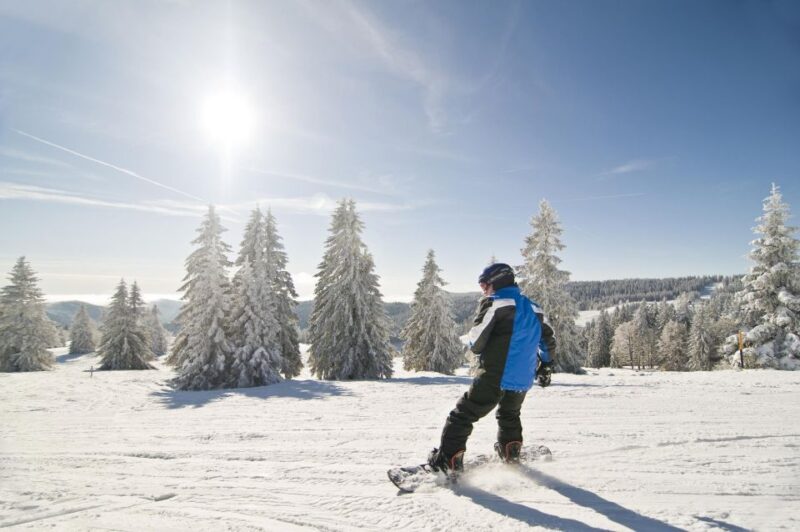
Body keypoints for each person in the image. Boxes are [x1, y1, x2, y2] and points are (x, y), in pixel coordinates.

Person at [427, 263, 556, 473]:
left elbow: (476, 343)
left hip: (496, 374)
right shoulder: (535, 308)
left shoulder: (495, 303)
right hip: (523, 378)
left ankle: (447, 462)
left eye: (484, 284)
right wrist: (546, 365)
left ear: (496, 282)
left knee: (462, 415)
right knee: (509, 414)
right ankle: (510, 452)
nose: (483, 289)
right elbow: (548, 342)